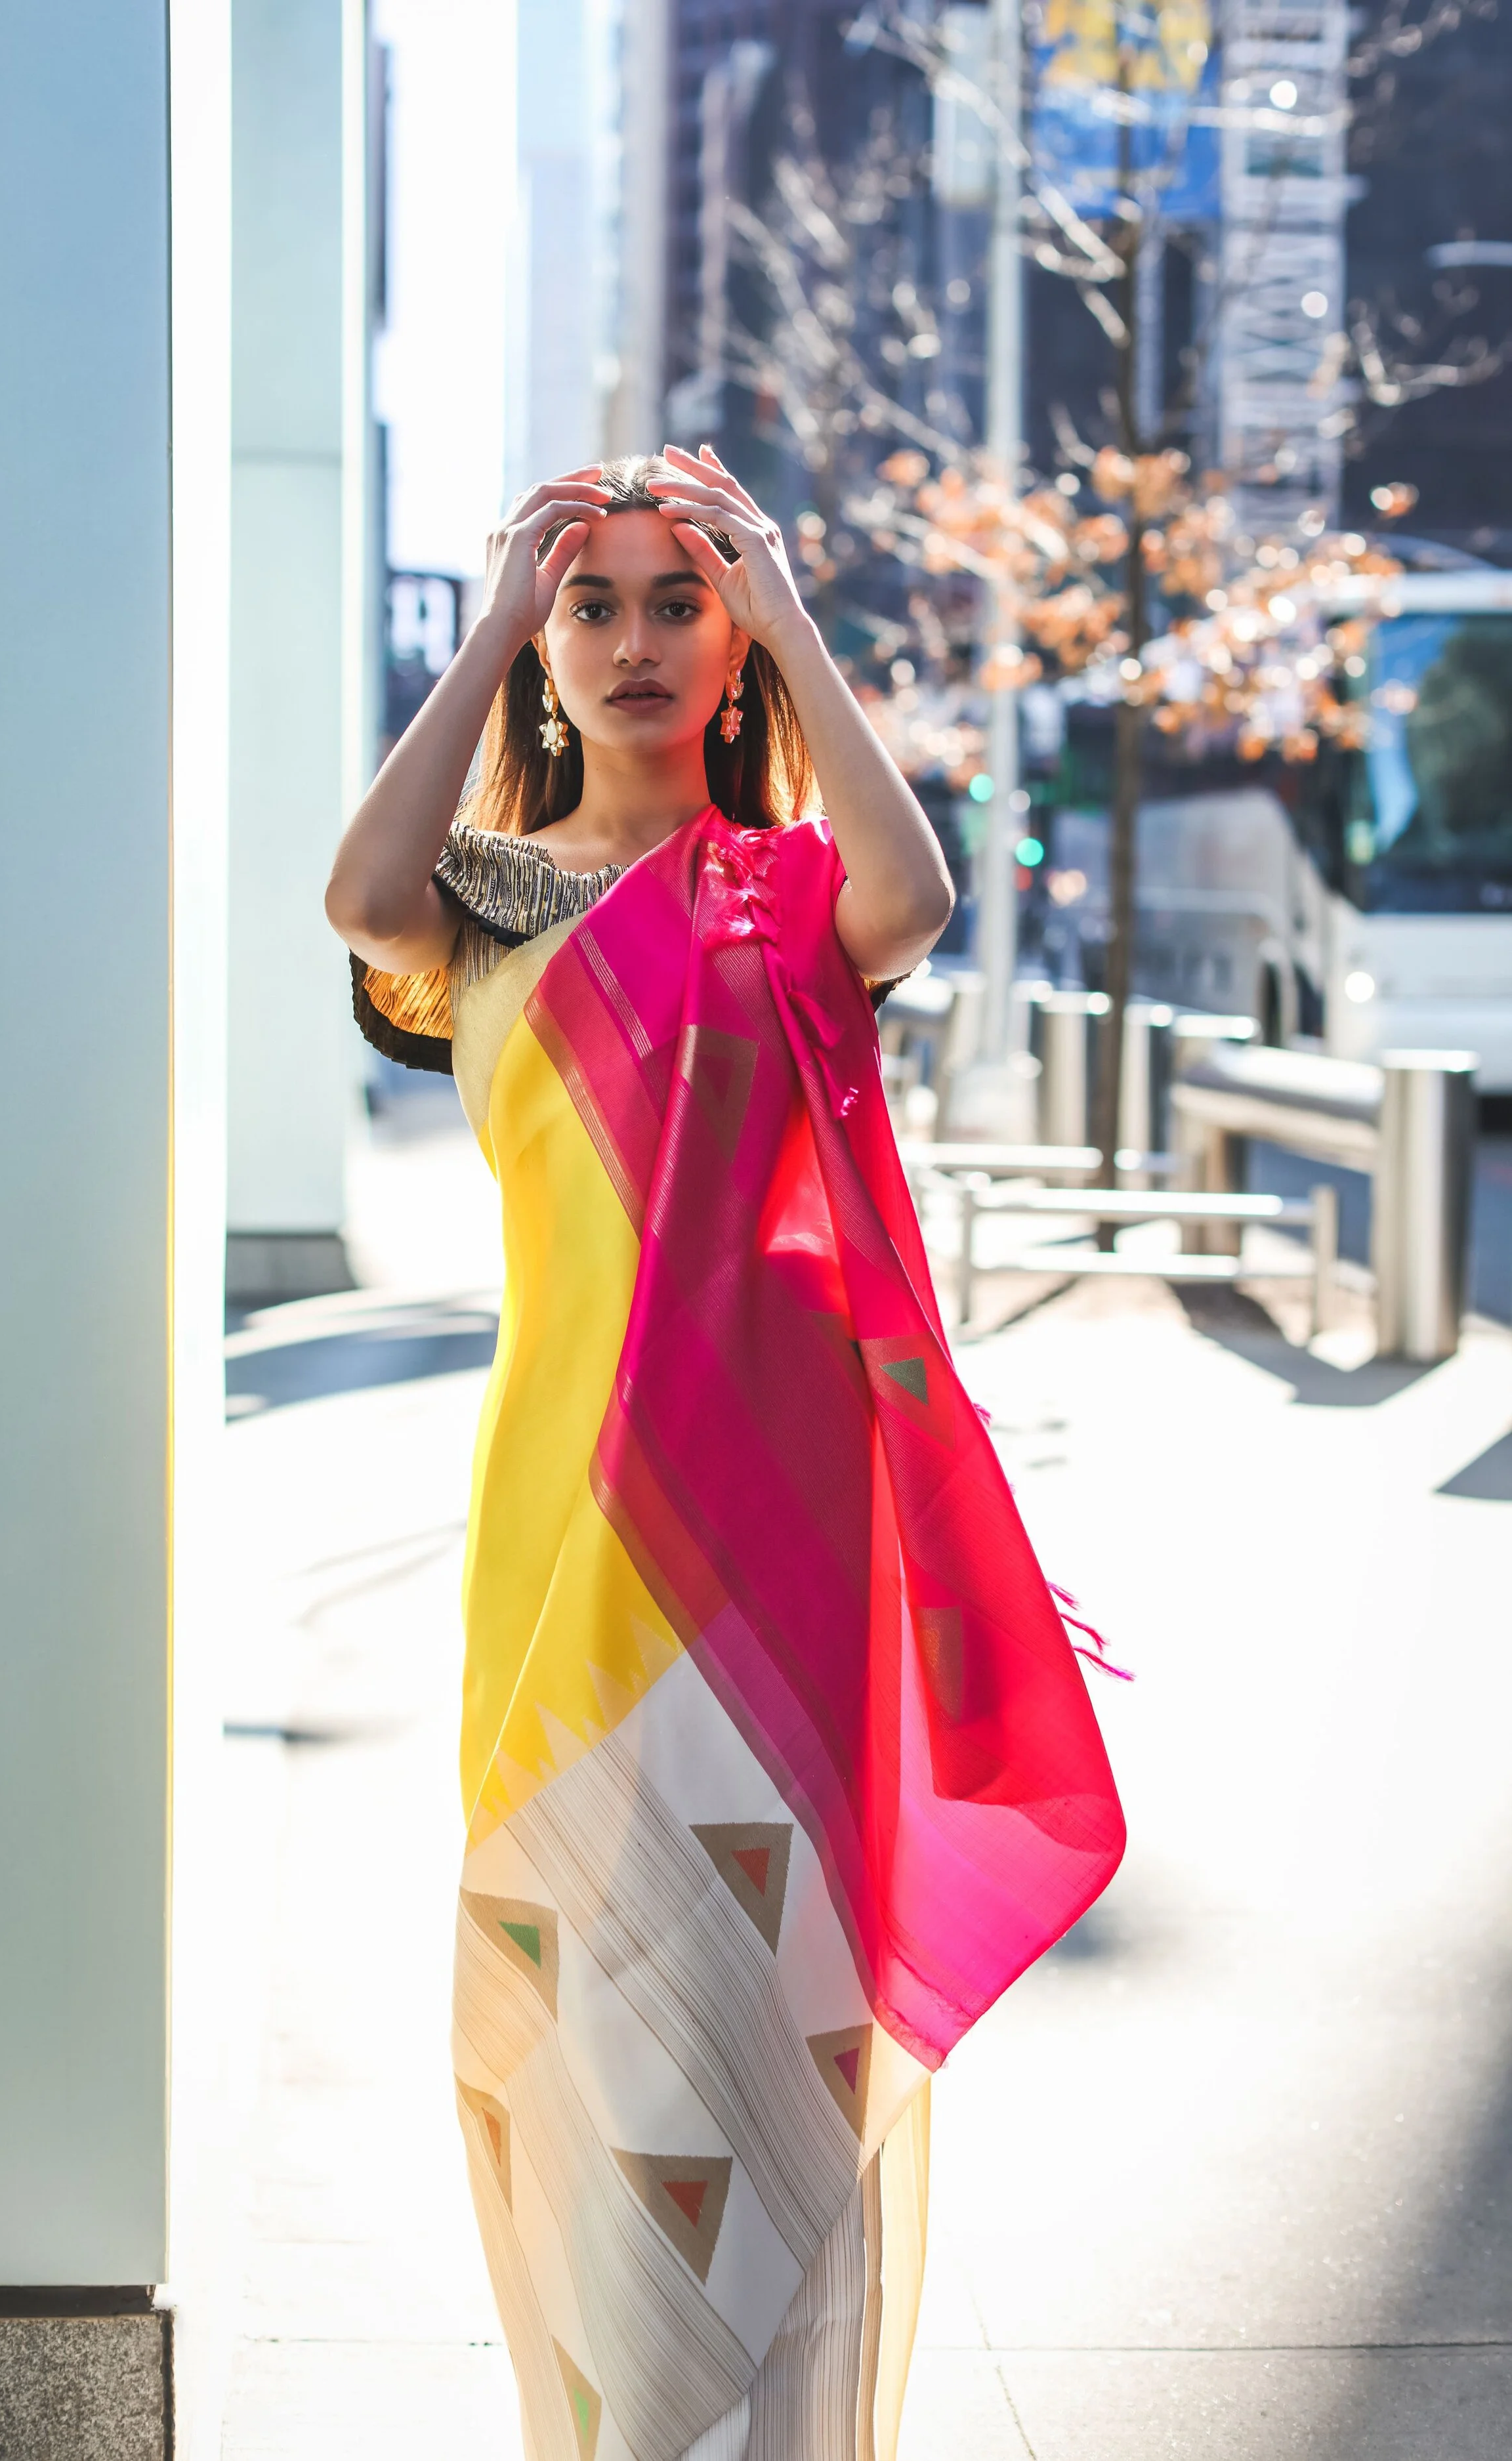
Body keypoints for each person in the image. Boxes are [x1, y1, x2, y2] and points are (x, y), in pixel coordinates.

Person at [326, 448, 1124, 2461]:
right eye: (588, 604)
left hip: (781, 1540)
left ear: (734, 640)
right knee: (589, 2005)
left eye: (675, 601)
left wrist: (789, 607)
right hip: (560, 1526)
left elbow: (916, 898)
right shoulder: (488, 901)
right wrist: (486, 628)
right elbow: (358, 899)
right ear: (543, 644)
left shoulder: (789, 892)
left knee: (774, 2018)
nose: (632, 640)